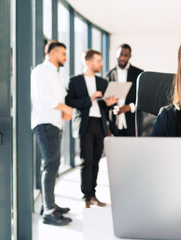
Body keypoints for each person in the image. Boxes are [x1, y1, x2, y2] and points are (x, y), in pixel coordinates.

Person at [66, 49, 118, 208]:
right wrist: (90, 99)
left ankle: (93, 195)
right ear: (88, 62)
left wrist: (110, 104)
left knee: (96, 162)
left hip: (100, 125)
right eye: (98, 61)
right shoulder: (74, 81)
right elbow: (69, 101)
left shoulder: (103, 82)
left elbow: (106, 105)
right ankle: (86, 196)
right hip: (85, 125)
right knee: (86, 162)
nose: (101, 64)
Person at [31, 40, 73, 225]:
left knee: (53, 164)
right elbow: (44, 97)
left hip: (53, 122)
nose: (65, 57)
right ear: (53, 53)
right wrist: (66, 108)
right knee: (50, 164)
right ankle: (48, 212)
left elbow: (54, 98)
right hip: (45, 123)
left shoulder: (53, 73)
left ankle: (50, 204)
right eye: (63, 54)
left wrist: (63, 111)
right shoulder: (42, 70)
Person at [106, 43, 143, 136]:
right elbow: (105, 101)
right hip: (114, 124)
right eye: (120, 54)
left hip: (133, 123)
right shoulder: (109, 75)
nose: (122, 58)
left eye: (125, 55)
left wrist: (129, 107)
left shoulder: (139, 74)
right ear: (116, 54)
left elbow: (144, 98)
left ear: (130, 56)